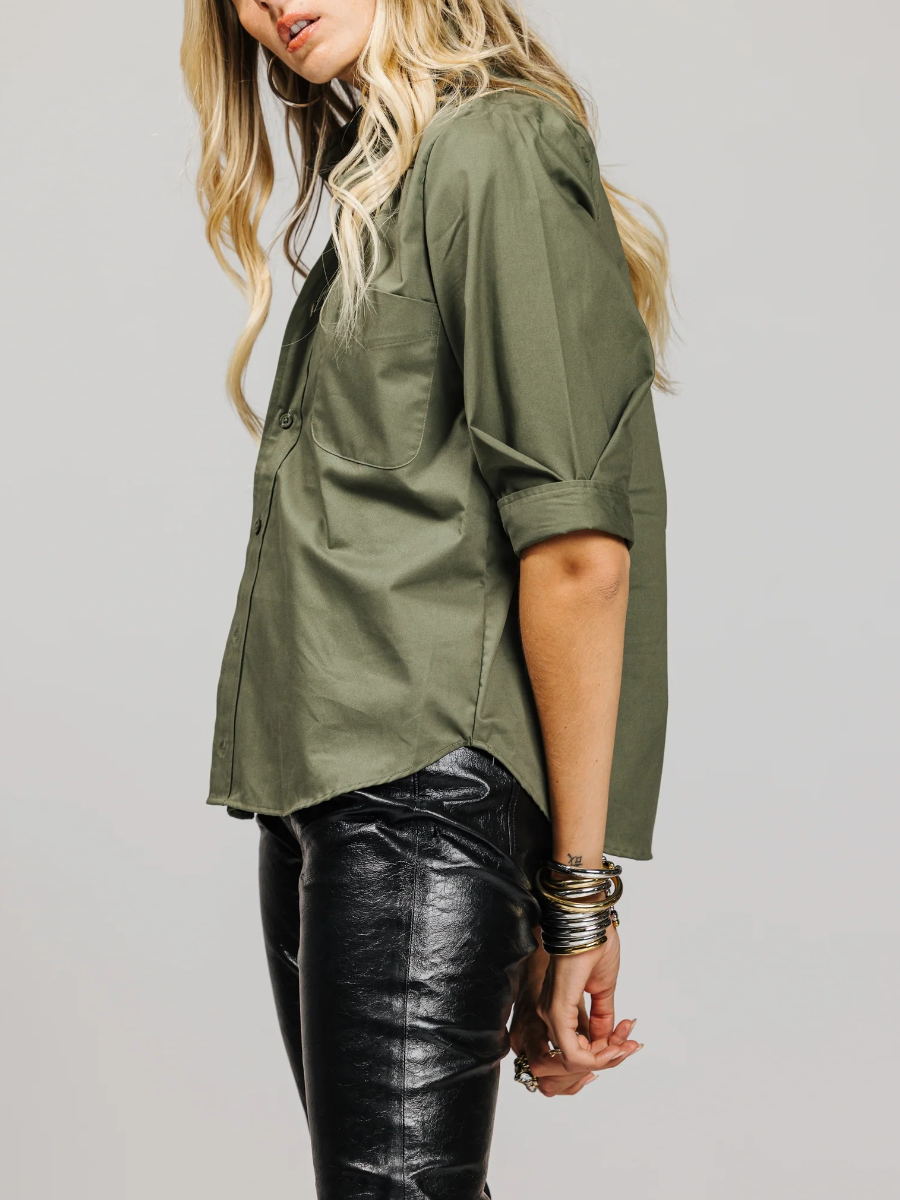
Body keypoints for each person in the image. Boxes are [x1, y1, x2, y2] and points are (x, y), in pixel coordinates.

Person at [181, 1, 672, 1195]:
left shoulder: (496, 147)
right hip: (331, 794)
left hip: (422, 799)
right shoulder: (389, 177)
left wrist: (573, 895)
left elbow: (580, 554)